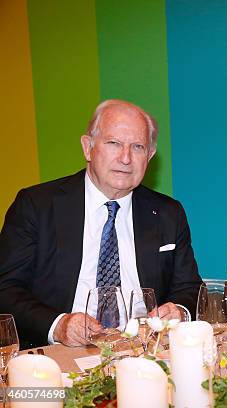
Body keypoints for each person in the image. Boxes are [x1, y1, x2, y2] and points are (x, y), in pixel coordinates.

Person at [0, 100, 202, 348]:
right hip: (61, 353)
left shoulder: (168, 212)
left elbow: (189, 287)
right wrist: (59, 325)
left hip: (144, 350)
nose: (125, 158)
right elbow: (6, 289)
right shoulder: (37, 205)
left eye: (137, 147)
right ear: (88, 147)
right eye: (114, 143)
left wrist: (179, 311)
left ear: (149, 156)